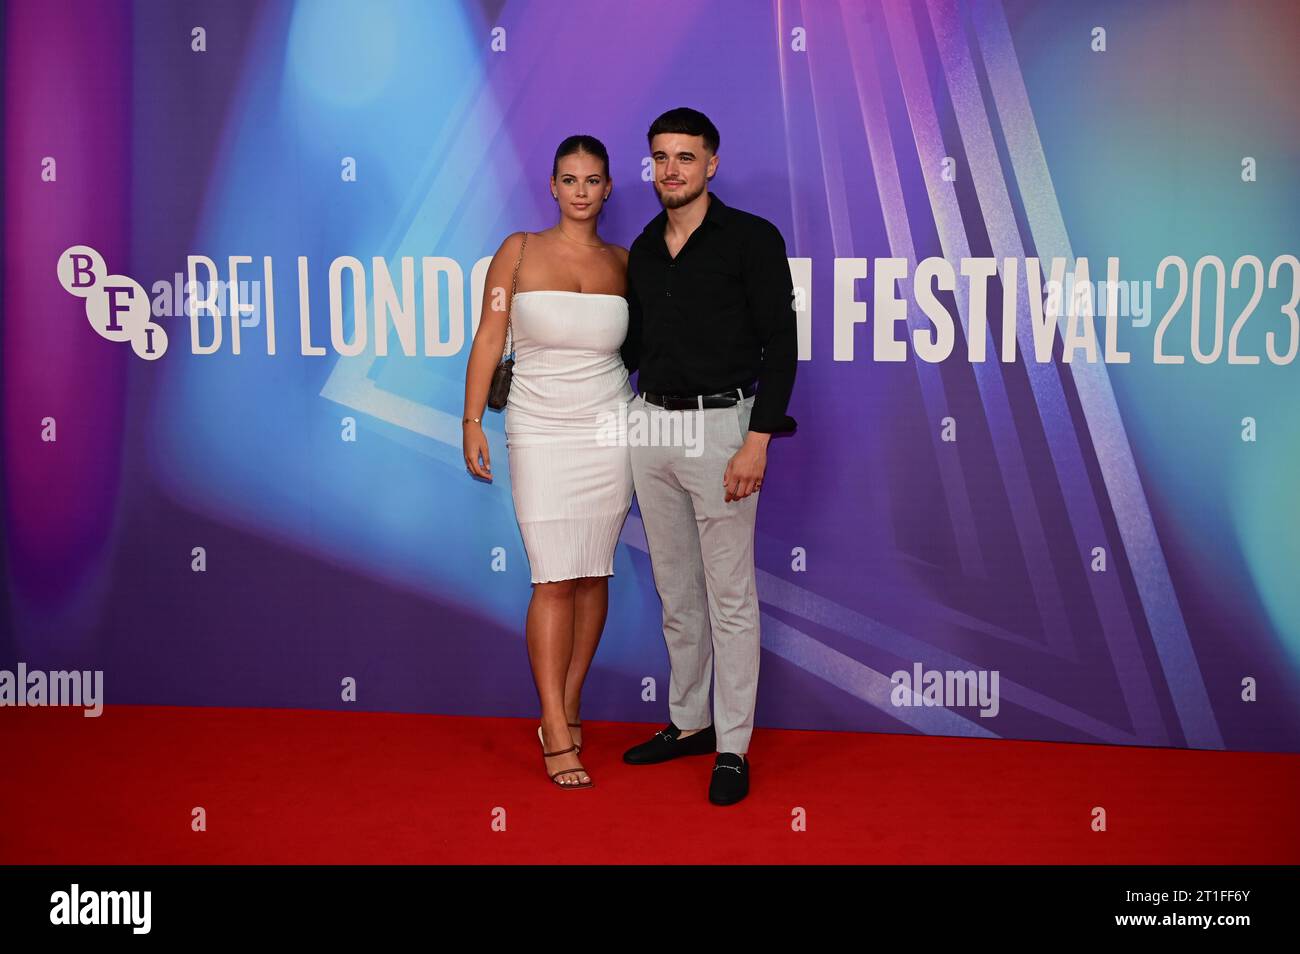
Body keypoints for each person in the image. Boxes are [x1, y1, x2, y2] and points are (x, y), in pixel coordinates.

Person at [619, 107, 798, 806]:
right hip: (651, 428)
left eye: (685, 157)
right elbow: (632, 349)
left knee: (730, 596)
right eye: (661, 157)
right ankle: (688, 722)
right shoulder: (640, 246)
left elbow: (780, 346)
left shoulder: (751, 239)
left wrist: (758, 437)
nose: (671, 169)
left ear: (711, 163)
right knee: (675, 590)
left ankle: (732, 746)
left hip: (724, 427)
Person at [462, 135, 634, 790]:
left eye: (594, 180)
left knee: (593, 574)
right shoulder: (519, 251)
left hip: (610, 429)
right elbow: (489, 336)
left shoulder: (624, 262)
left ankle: (569, 701)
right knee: (553, 577)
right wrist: (472, 419)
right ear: (553, 186)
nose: (582, 191)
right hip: (537, 426)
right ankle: (553, 725)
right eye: (570, 179)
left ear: (609, 188)